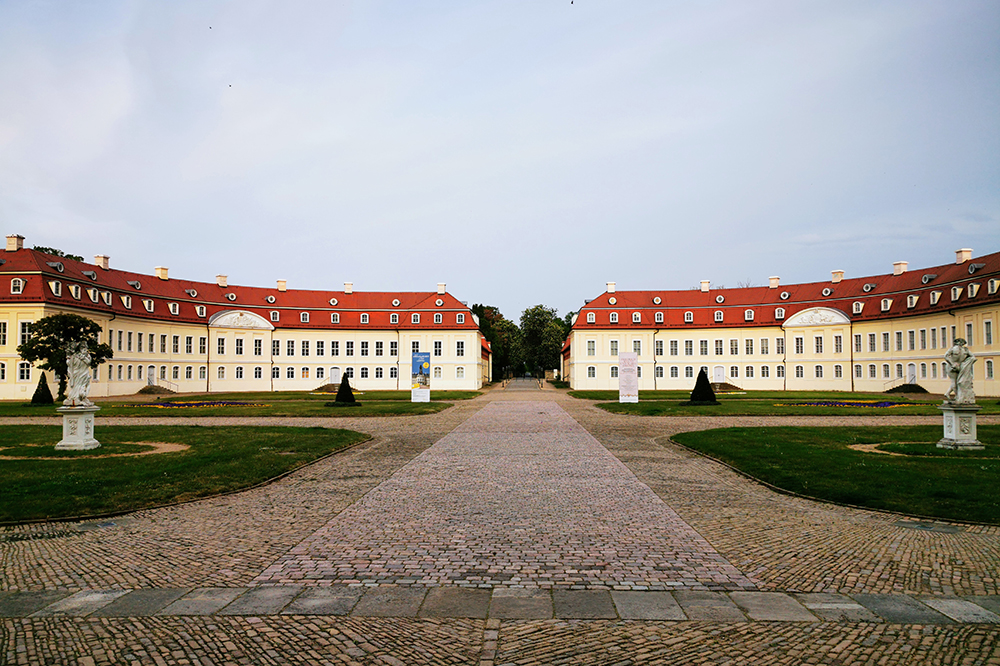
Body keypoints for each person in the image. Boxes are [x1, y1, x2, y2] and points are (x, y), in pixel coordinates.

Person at [944, 338, 976, 404]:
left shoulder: (965, 350)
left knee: (961, 382)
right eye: (960, 342)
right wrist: (952, 363)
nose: (961, 344)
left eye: (962, 342)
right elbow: (946, 356)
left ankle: (951, 394)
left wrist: (966, 364)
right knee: (954, 382)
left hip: (961, 366)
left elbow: (973, 357)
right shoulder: (954, 349)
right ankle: (958, 396)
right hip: (952, 367)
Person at [64, 341, 93, 406]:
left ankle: (81, 397)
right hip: (76, 373)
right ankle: (75, 397)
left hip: (84, 373)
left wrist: (83, 358)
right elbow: (70, 364)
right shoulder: (75, 356)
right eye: (83, 347)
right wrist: (68, 358)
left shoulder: (87, 356)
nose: (84, 349)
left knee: (82, 385)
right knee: (76, 385)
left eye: (85, 348)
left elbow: (88, 362)